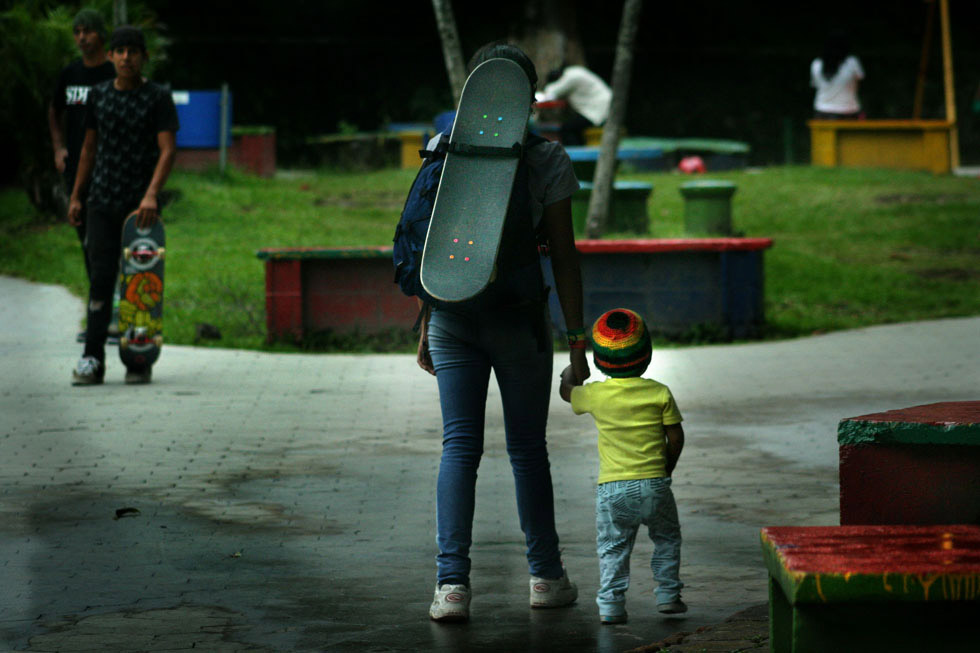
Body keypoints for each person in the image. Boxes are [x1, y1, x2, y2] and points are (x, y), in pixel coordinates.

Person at [419, 42, 589, 623]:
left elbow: (432, 250)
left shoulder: (444, 149)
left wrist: (425, 325)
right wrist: (577, 342)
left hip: (451, 319)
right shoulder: (549, 160)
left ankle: (452, 587)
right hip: (520, 322)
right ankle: (544, 577)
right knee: (526, 450)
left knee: (458, 448)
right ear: (529, 98)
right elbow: (564, 258)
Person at [559, 308, 686, 624]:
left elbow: (567, 392)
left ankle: (611, 606)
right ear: (647, 355)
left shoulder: (595, 395)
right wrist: (665, 468)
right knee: (667, 539)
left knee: (613, 548)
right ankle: (668, 596)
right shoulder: (659, 393)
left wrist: (571, 371)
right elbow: (676, 437)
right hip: (656, 484)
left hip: (613, 488)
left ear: (600, 361)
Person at [68, 25, 179, 386]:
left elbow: (167, 150)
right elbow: (88, 150)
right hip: (101, 200)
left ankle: (138, 358)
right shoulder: (98, 96)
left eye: (133, 51)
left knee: (140, 282)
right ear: (111, 56)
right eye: (120, 51)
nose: (126, 57)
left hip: (140, 207)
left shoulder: (157, 96)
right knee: (100, 280)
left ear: (143, 56)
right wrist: (76, 196)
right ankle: (92, 360)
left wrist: (151, 194)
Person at [48, 9, 116, 326]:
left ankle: (112, 308)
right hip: (76, 168)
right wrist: (59, 147)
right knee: (87, 241)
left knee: (109, 240)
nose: (81, 37)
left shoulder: (114, 73)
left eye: (87, 31)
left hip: (112, 169)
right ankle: (98, 308)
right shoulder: (70, 74)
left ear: (101, 35)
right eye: (76, 31)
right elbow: (54, 110)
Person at [535, 64, 612, 145]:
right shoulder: (574, 71)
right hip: (600, 106)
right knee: (574, 128)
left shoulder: (571, 77)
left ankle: (576, 156)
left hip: (598, 109)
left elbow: (550, 94)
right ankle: (581, 151)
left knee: (567, 129)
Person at [810, 30, 864, 120]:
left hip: (822, 110)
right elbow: (859, 82)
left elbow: (815, 85)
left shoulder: (816, 64)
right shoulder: (852, 63)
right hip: (848, 110)